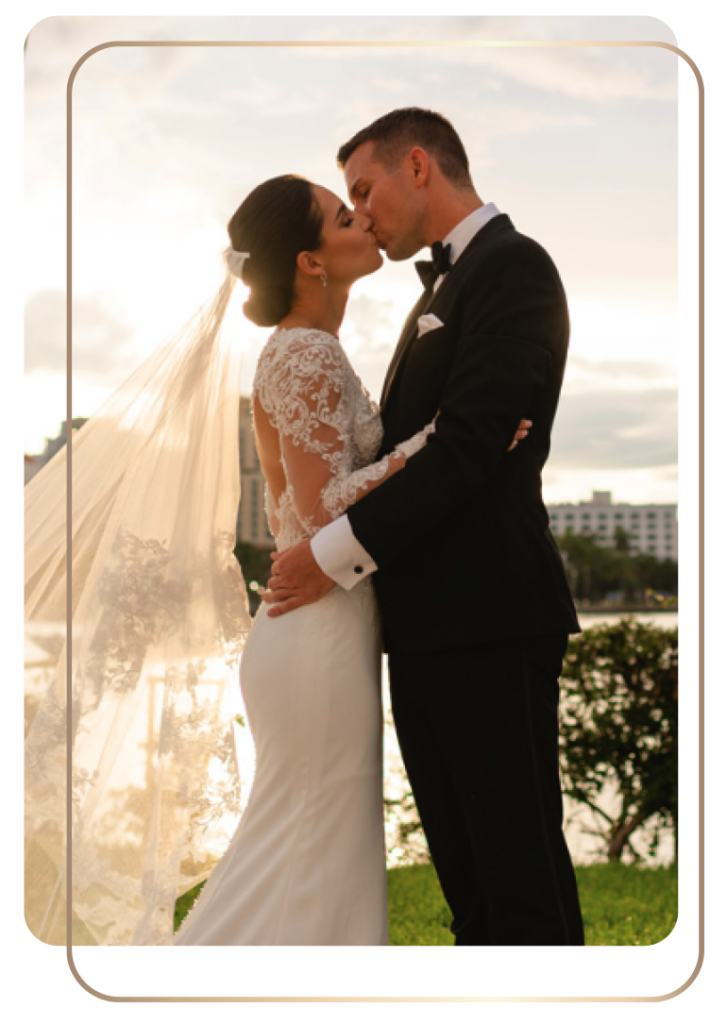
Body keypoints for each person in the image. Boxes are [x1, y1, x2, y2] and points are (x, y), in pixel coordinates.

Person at [23, 171, 529, 947]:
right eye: (340, 213)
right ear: (310, 261)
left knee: (306, 841)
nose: (360, 216)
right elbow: (324, 509)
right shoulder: (302, 355)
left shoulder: (310, 352)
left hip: (318, 624)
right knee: (305, 841)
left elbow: (286, 509)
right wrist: (443, 437)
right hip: (316, 634)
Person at [262, 108, 586, 947]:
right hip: (419, 625)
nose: (361, 213)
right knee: (471, 892)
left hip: (489, 615)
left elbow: (471, 441)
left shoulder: (513, 267)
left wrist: (324, 557)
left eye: (363, 191)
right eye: (345, 205)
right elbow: (422, 444)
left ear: (417, 166)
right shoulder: (430, 296)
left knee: (517, 886)